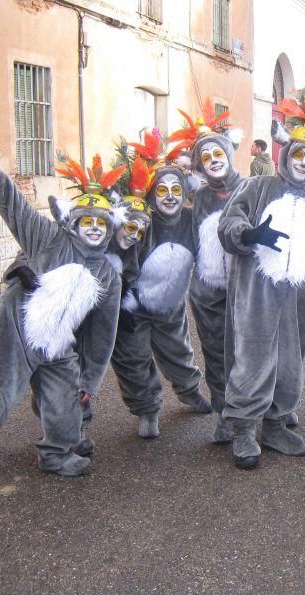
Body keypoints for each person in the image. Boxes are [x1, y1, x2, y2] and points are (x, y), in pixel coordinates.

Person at [218, 85, 305, 469]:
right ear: (286, 155)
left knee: (290, 362)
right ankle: (243, 430)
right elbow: (230, 223)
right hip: (255, 295)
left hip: (295, 300)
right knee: (253, 359)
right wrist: (249, 234)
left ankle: (275, 426)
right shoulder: (258, 187)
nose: (304, 162)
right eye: (298, 154)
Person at [0, 129, 123, 476]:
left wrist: (89, 381)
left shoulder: (108, 274)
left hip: (58, 342)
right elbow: (17, 211)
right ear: (74, 224)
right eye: (86, 222)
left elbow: (105, 334)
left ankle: (56, 454)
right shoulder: (49, 239)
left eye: (100, 224)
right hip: (17, 329)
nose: (93, 229)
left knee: (66, 396)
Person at [111, 132, 212, 439]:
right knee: (133, 360)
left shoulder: (191, 220)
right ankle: (147, 409)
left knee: (179, 353)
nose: (169, 196)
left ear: (184, 193)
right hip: (134, 307)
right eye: (163, 190)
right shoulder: (142, 220)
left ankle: (189, 391)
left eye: (176, 190)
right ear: (152, 193)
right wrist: (120, 298)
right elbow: (115, 255)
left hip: (171, 305)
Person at [167, 99, 245, 443]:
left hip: (246, 290)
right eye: (206, 158)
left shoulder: (250, 188)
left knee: (249, 352)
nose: (214, 162)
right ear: (199, 165)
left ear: (229, 156)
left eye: (218, 155)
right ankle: (226, 416)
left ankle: (266, 413)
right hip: (208, 293)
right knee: (216, 355)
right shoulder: (197, 198)